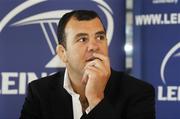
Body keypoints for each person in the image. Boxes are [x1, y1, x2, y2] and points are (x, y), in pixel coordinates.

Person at [20, 10, 155, 119]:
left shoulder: (138, 92)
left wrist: (96, 100)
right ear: (62, 53)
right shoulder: (39, 92)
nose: (93, 46)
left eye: (99, 37)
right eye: (82, 39)